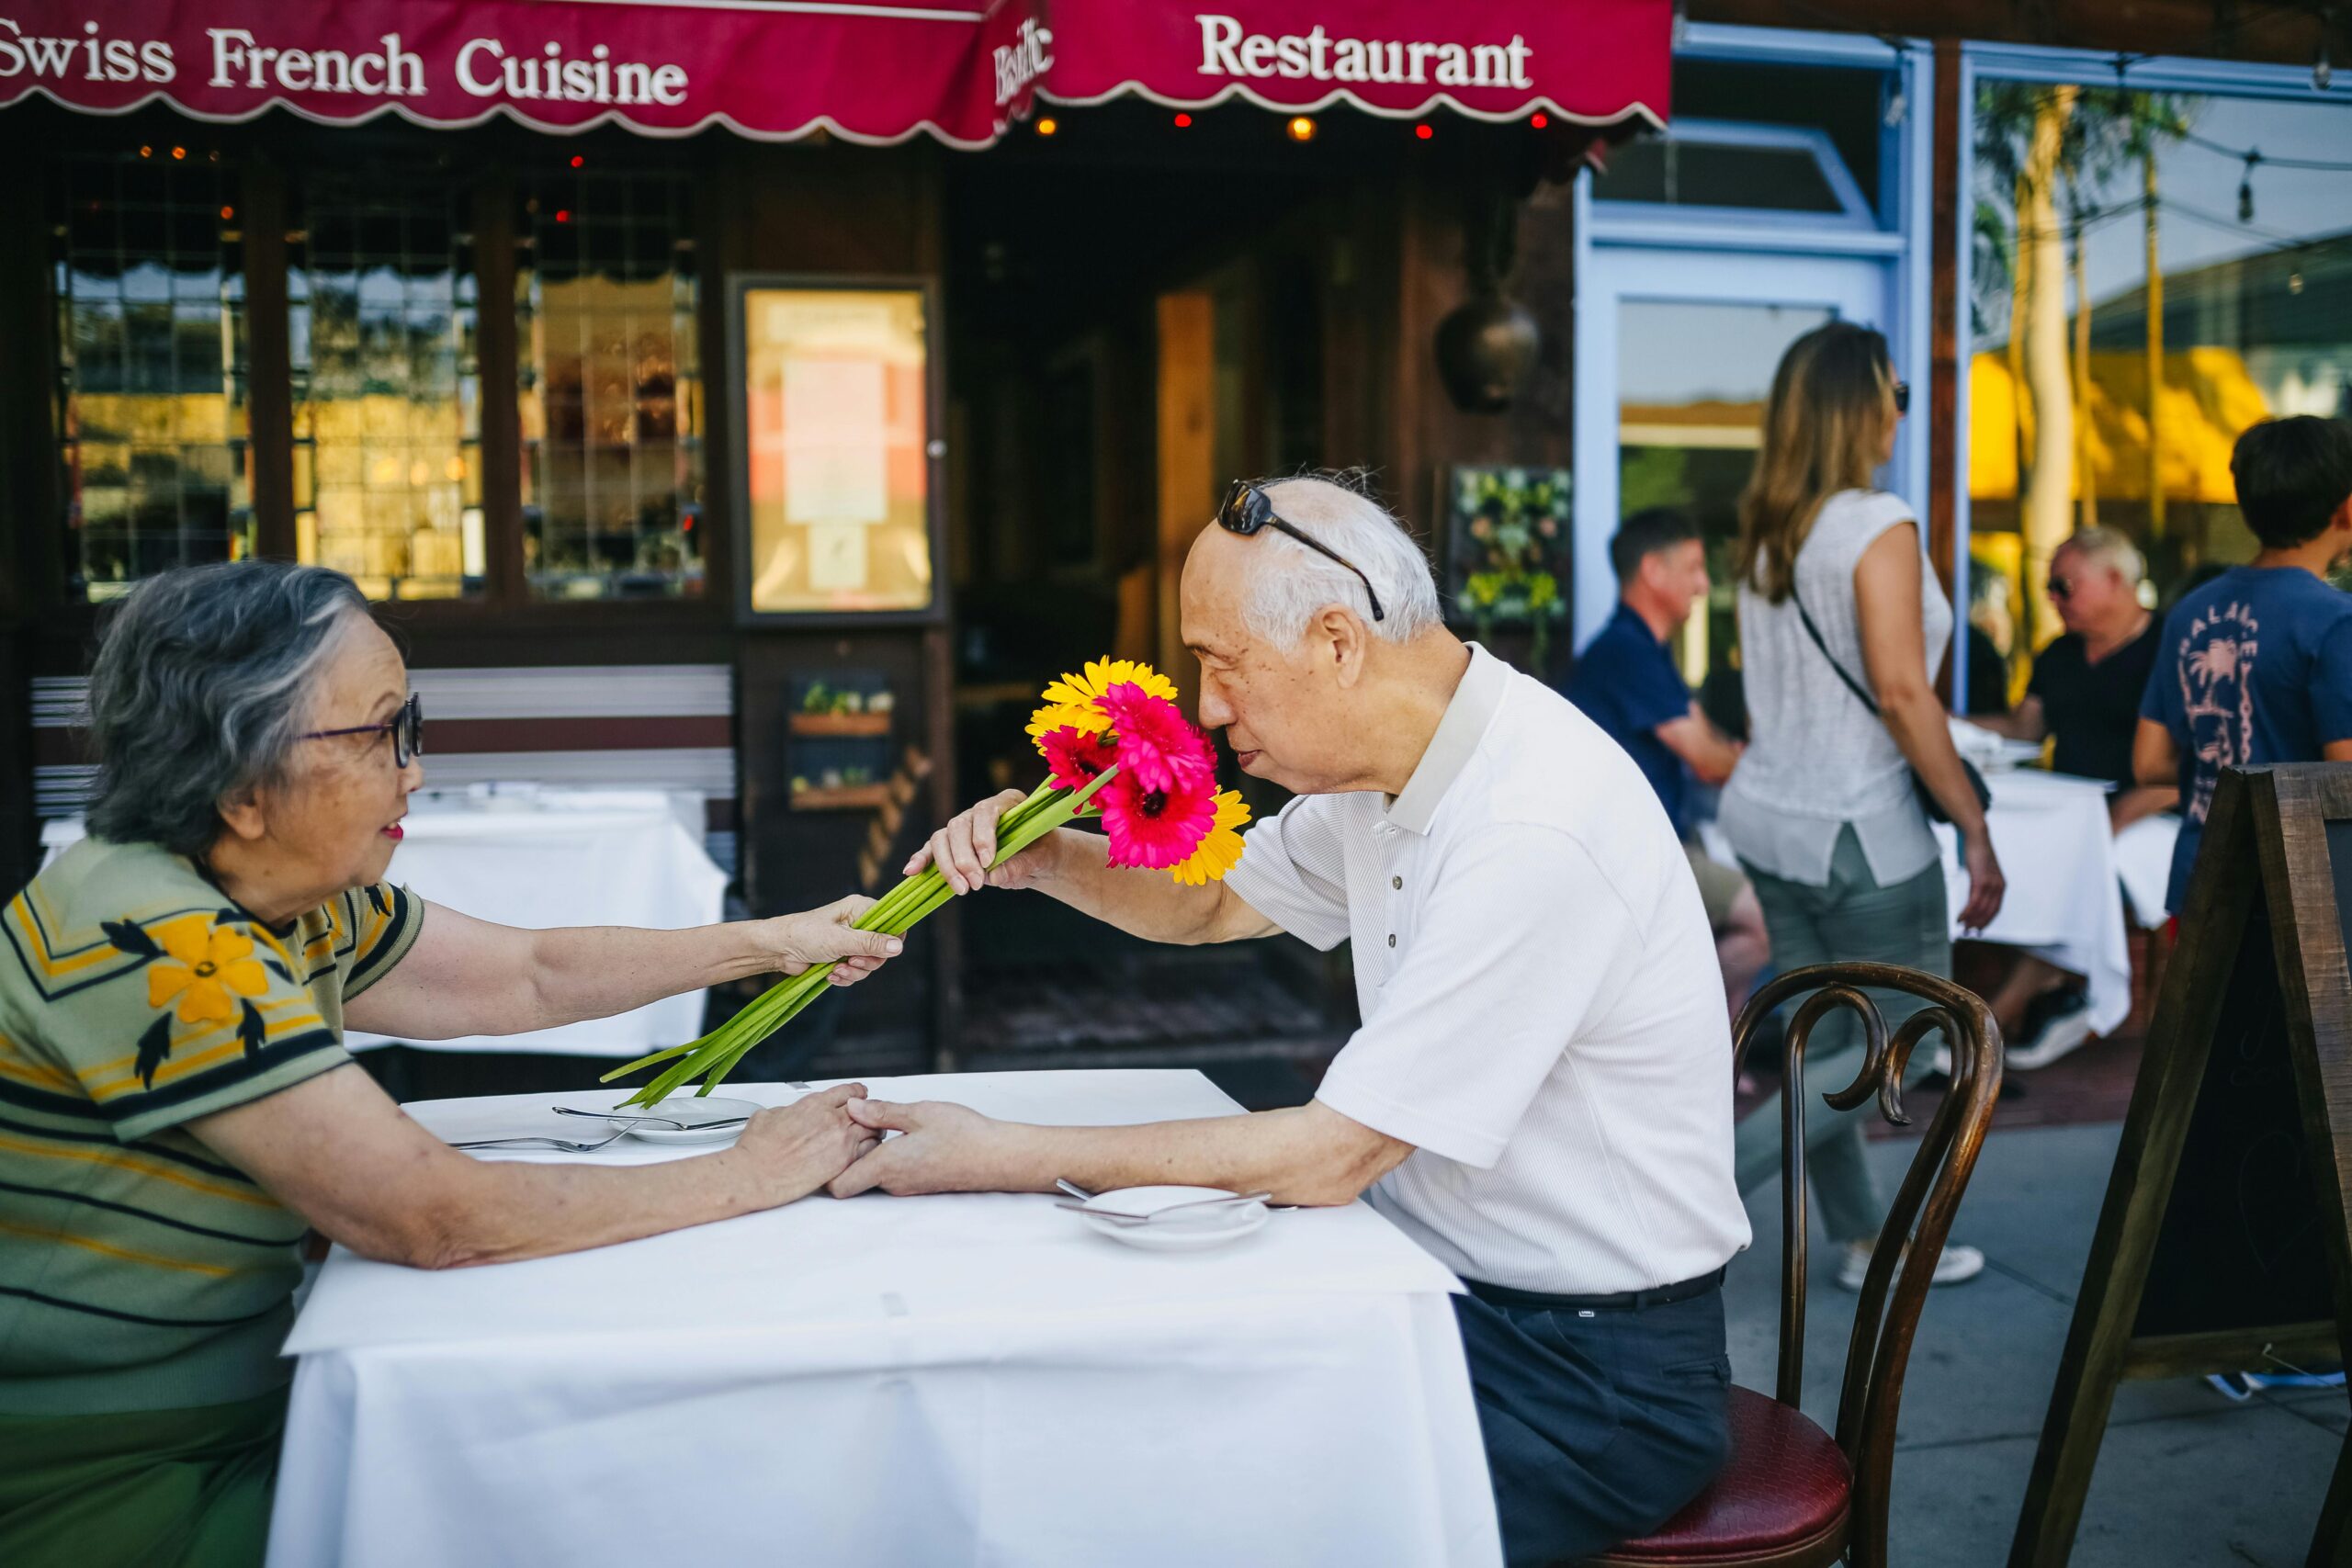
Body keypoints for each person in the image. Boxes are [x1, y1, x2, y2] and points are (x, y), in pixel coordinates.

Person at [830, 476, 1752, 1565]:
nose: (1206, 708)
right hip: (1432, 1284)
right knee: (1135, 1397)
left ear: (1335, 643)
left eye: (1222, 666)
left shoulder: (1532, 825)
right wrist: (1046, 857)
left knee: (1216, 1507)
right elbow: (1215, 898)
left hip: (1594, 1377)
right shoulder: (1394, 769)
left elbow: (1333, 1154)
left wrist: (1001, 1155)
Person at [0, 562, 902, 1567]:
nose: (413, 770)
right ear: (243, 785)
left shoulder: (289, 899)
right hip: (98, 1476)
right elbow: (431, 1218)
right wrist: (751, 1173)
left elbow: (528, 974)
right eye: (379, 734)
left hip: (232, 1414)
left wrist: (770, 944)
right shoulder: (151, 935)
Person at [1717, 321, 2005, 1293]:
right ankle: (1694, 1207)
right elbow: (1899, 693)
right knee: (1901, 1041)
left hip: (1770, 816)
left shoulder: (1768, 531)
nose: (1899, 408)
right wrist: (1972, 824)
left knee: (1824, 1041)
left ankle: (1855, 1242)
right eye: (1895, 389)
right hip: (1856, 829)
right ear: (1860, 403)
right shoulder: (1872, 523)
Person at [1967, 526, 2177, 1061]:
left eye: (2064, 585)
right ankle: (2057, 995)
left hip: (2153, 812)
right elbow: (2025, 728)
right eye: (2049, 589)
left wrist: (2128, 811)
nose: (2054, 599)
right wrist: (1939, 723)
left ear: (2115, 580)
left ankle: (1997, 1017)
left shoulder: (2170, 648)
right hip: (2073, 812)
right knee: (2022, 859)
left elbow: (2192, 765)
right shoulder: (2060, 653)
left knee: (2084, 869)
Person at [2138, 415, 2352, 914]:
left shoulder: (2190, 611)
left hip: (2200, 880)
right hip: (2303, 897)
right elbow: (2346, 778)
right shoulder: (2335, 622)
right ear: (2345, 508)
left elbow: (2149, 763)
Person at [1566, 507, 1770, 1012]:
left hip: (1654, 842)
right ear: (1654, 571)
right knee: (1761, 922)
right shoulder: (1625, 651)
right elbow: (1707, 758)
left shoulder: (1644, 649)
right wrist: (1737, 760)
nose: (1704, 586)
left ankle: (1714, 1059)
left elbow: (1707, 744)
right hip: (1627, 852)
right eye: (1695, 568)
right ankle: (1670, 1025)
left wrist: (1724, 754)